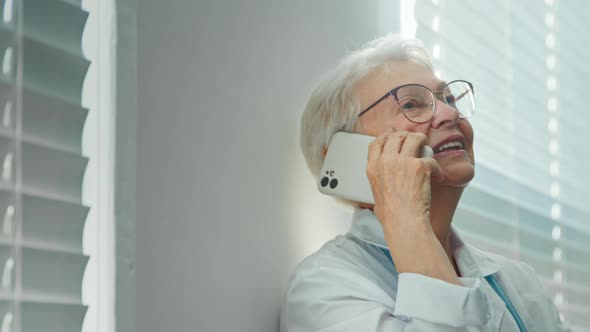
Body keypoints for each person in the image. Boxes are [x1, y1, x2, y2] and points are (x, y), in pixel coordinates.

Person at [280, 34, 571, 332]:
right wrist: (407, 223)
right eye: (411, 104)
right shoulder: (323, 291)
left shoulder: (518, 282)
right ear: (344, 157)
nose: (450, 113)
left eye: (447, 98)